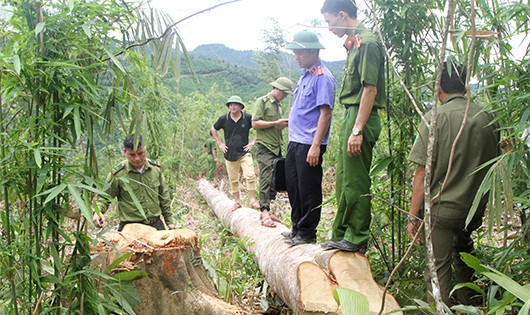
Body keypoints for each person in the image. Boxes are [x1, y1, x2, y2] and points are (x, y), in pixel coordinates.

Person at [407, 61, 500, 306]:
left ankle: (443, 310)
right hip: (473, 210)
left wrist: (413, 215)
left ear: (439, 88)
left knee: (438, 272)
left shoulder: (434, 119)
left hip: (442, 210)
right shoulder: (487, 117)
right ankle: (469, 304)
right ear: (465, 85)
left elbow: (421, 174)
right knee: (464, 255)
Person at [320, 0, 386, 252]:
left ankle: (357, 237)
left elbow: (370, 89)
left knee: (356, 180)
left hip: (361, 116)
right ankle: (343, 234)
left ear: (342, 15)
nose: (328, 27)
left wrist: (357, 130)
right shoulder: (354, 42)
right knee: (345, 179)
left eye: (329, 21)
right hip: (352, 114)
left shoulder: (366, 42)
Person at [282, 30, 336, 246]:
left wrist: (315, 146)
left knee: (308, 188)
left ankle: (307, 232)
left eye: (301, 52)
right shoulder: (305, 75)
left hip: (309, 143)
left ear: (313, 51)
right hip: (295, 141)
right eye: (295, 52)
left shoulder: (323, 77)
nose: (297, 56)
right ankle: (296, 227)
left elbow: (326, 113)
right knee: (293, 186)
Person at [92, 134, 176, 231]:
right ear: (125, 152)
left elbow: (164, 197)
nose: (137, 158)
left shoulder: (155, 170)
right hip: (130, 228)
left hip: (155, 225)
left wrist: (170, 222)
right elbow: (104, 197)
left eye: (140, 153)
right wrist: (97, 212)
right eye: (132, 155)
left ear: (146, 149)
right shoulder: (118, 174)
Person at [252, 76, 294, 228]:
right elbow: (255, 123)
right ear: (277, 89)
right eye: (283, 93)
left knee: (275, 179)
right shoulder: (262, 102)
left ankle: (268, 210)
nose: (284, 96)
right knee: (265, 178)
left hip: (277, 146)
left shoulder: (279, 105)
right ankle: (263, 211)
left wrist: (281, 125)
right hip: (265, 146)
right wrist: (275, 123)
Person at [211, 95, 259, 211]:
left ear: (240, 106)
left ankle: (252, 200)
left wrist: (252, 143)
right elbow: (213, 129)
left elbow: (258, 128)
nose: (233, 106)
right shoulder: (224, 119)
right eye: (231, 104)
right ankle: (237, 202)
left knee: (250, 176)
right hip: (230, 155)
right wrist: (220, 144)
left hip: (244, 153)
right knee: (233, 180)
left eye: (235, 104)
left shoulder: (247, 118)